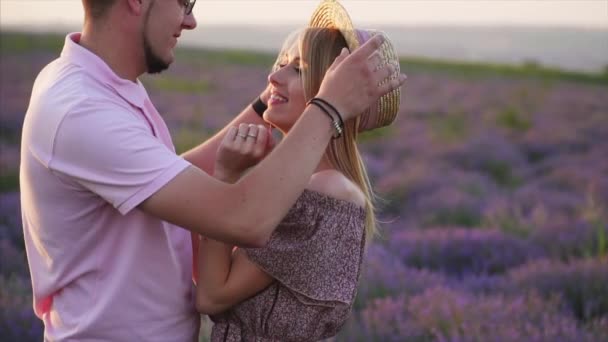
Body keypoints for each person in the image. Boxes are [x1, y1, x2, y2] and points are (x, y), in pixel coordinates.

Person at [19, 0, 406, 340]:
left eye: (297, 69)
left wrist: (273, 100)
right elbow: (242, 219)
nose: (190, 22)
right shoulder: (83, 110)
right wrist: (327, 107)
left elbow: (169, 178)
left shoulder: (97, 90)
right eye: (184, 2)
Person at [194, 2, 402, 340]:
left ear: (334, 89)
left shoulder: (324, 192)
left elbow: (212, 296)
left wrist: (226, 177)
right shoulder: (319, 186)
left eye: (299, 70)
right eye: (279, 65)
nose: (273, 77)